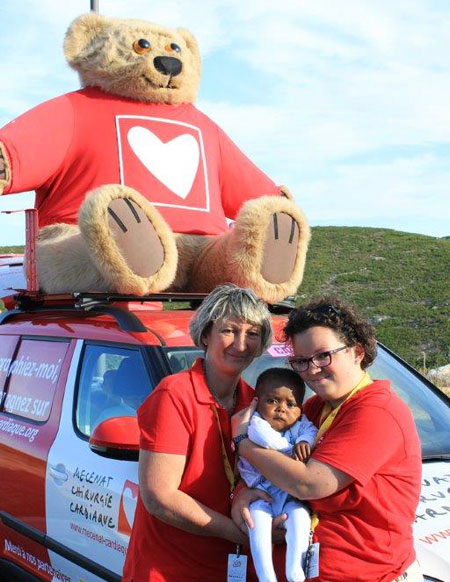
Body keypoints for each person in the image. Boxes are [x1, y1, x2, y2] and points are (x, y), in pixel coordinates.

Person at [232, 297, 423, 582]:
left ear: (357, 352)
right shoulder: (311, 408)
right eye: (301, 361)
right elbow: (264, 468)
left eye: (323, 356)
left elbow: (308, 483)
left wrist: (243, 443)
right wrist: (241, 497)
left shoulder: (378, 411)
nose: (312, 369)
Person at [122, 284, 285, 582]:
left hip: (233, 568)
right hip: (170, 570)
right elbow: (160, 497)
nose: (240, 344)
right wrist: (242, 534)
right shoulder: (174, 395)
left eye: (252, 333)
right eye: (229, 330)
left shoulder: (256, 403)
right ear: (206, 334)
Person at [238, 368, 317, 582]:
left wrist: (304, 442)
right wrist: (290, 450)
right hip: (261, 494)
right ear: (257, 402)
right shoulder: (254, 423)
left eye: (290, 404)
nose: (281, 409)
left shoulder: (301, 424)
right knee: (258, 526)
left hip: (288, 496)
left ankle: (295, 570)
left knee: (300, 517)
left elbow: (312, 431)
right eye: (273, 401)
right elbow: (265, 439)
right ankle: (267, 576)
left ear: (300, 409)